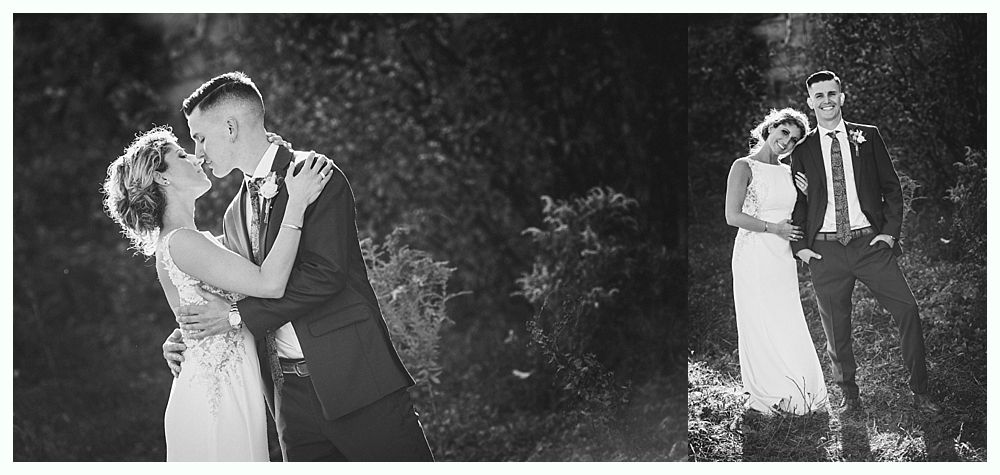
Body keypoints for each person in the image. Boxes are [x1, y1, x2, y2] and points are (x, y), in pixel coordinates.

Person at [161, 72, 435, 461]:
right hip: (289, 399)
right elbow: (237, 289)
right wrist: (189, 334)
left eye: (200, 137)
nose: (198, 151)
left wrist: (236, 317)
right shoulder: (233, 214)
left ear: (230, 126)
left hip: (354, 379)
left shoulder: (315, 175)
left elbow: (325, 276)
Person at [102, 125, 333, 460]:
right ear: (162, 178)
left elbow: (258, 252)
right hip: (216, 395)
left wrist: (266, 165)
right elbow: (269, 282)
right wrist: (296, 203)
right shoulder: (182, 241)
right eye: (181, 155)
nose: (196, 158)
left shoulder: (197, 240)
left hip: (230, 383)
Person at [790, 70, 942, 415]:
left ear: (841, 97)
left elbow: (891, 187)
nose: (826, 100)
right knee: (836, 327)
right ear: (810, 102)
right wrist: (800, 247)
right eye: (819, 96)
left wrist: (888, 233)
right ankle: (850, 395)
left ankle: (920, 391)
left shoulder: (867, 137)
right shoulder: (803, 148)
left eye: (832, 93)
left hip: (870, 245)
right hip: (825, 250)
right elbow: (797, 202)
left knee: (908, 309)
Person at [725, 107, 828, 415]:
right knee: (759, 318)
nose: (786, 142)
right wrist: (774, 228)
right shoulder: (743, 166)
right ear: (769, 128)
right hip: (754, 252)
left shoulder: (788, 172)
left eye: (794, 139)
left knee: (786, 315)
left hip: (782, 255)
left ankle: (798, 386)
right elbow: (733, 216)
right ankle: (768, 391)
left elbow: (799, 216)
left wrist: (808, 196)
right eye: (783, 132)